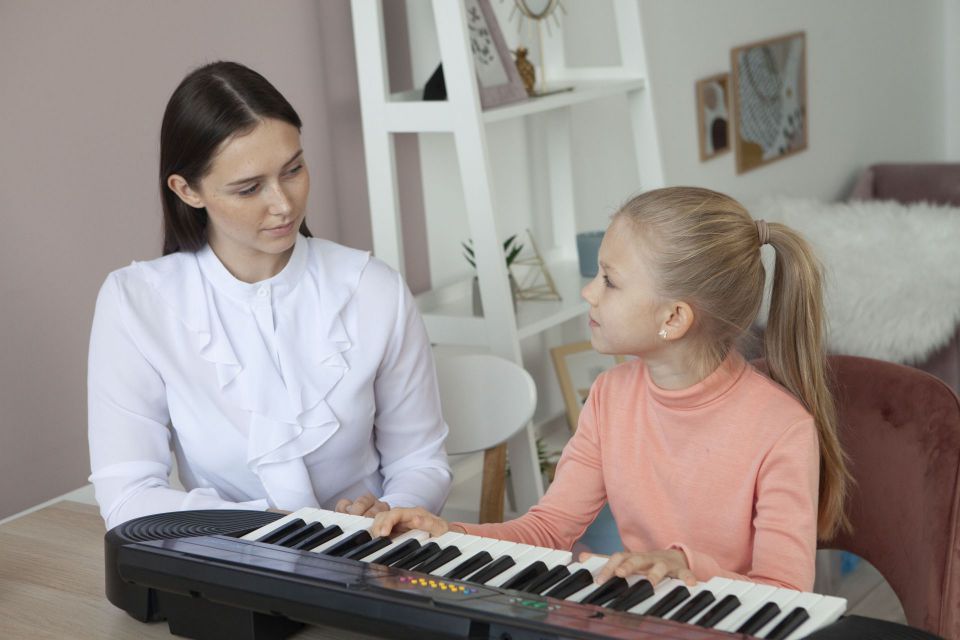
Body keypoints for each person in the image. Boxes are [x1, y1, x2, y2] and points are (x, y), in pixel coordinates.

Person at [369, 187, 851, 593]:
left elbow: (786, 594)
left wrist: (689, 569)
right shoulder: (610, 396)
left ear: (674, 318)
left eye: (610, 281)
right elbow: (546, 530)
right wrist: (449, 532)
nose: (589, 292)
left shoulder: (782, 429)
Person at [87, 61, 451, 530]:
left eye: (293, 169)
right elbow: (129, 494)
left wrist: (392, 510)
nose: (283, 205)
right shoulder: (136, 303)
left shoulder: (372, 289)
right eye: (248, 188)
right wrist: (274, 524)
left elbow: (421, 460)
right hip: (230, 565)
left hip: (372, 558)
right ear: (187, 190)